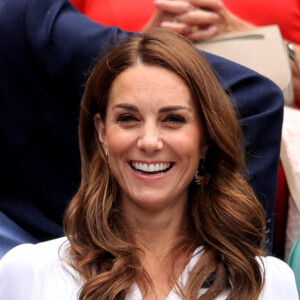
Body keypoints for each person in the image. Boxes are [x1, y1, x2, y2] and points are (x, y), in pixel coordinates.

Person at [0, 29, 298, 300]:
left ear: (205, 138)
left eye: (173, 120)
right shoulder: (28, 272)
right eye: (128, 118)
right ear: (102, 133)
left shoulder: (267, 282)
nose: (149, 141)